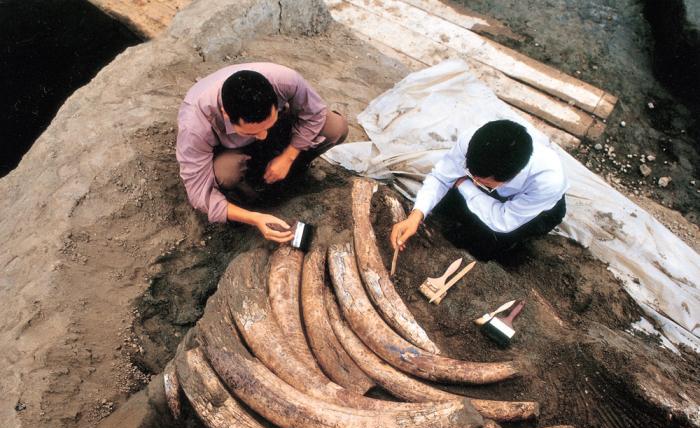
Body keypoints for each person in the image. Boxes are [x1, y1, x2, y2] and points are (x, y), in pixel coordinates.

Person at [176, 63, 348, 243]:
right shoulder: (194, 125)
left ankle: (292, 171)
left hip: (279, 134)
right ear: (226, 115)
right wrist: (255, 218)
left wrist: (289, 156)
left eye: (268, 125)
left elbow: (315, 114)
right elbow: (199, 193)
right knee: (225, 172)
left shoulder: (285, 80)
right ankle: (247, 194)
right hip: (231, 151)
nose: (262, 136)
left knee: (335, 127)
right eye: (251, 131)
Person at [390, 120, 568, 261]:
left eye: (482, 182)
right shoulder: (474, 140)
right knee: (440, 206)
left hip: (537, 211)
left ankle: (512, 249)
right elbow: (441, 176)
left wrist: (463, 184)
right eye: (471, 175)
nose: (475, 182)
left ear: (509, 178)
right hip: (490, 186)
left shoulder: (548, 180)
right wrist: (416, 215)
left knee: (484, 245)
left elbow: (503, 220)